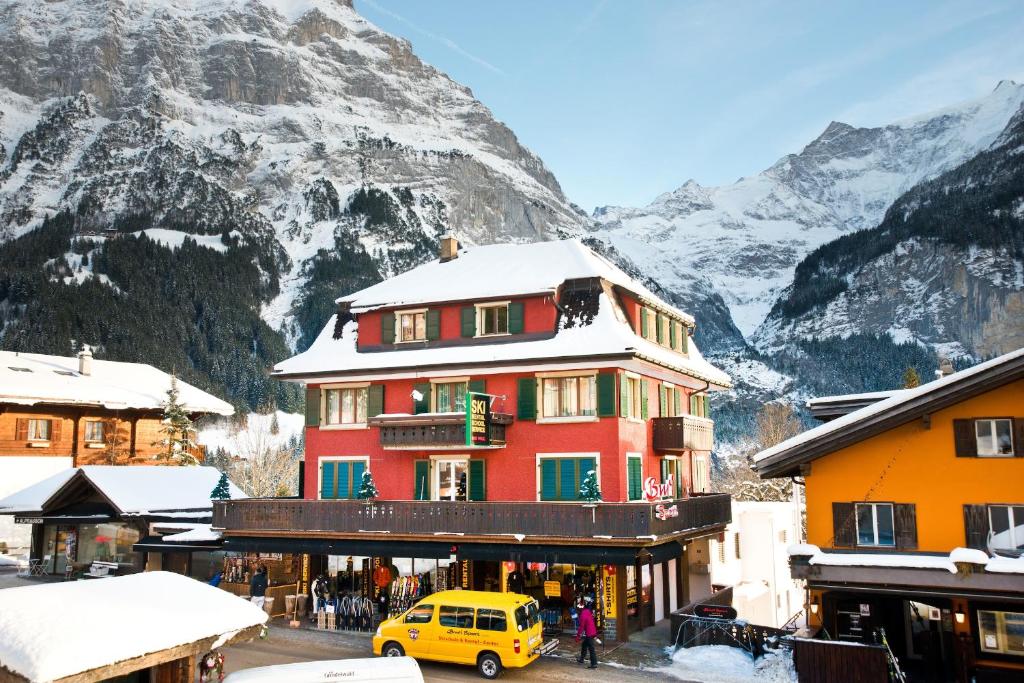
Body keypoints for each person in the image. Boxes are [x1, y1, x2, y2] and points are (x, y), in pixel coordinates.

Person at [575, 597, 599, 669]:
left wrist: (578, 636)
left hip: (589, 633)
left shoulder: (583, 615)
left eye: (578, 609)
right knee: (584, 645)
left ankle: (594, 664)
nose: (578, 610)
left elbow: (581, 627)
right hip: (592, 631)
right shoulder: (588, 611)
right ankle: (581, 659)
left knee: (591, 649)